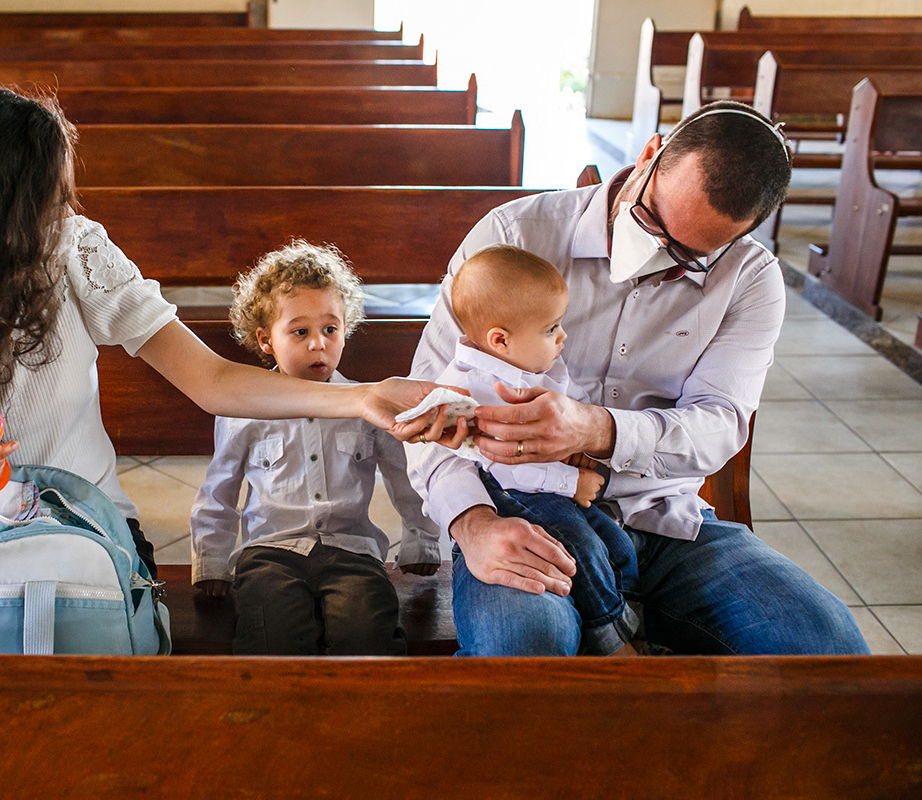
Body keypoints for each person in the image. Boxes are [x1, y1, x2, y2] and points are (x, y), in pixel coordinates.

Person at [0, 86, 451, 576]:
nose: (65, 213)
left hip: (81, 533)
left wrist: (358, 398)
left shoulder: (71, 252)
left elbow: (209, 379)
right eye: (48, 199)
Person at [407, 101, 870, 656]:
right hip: (519, 511)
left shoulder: (749, 277)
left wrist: (598, 430)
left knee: (827, 645)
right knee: (526, 648)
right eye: (653, 221)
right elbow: (427, 405)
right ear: (650, 155)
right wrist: (473, 525)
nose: (656, 253)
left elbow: (720, 424)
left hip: (661, 518)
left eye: (688, 255)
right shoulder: (516, 234)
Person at [190, 241, 441, 655]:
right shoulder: (243, 408)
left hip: (352, 550)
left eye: (330, 329)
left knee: (366, 638)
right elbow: (219, 488)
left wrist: (421, 539)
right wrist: (212, 561)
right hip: (271, 552)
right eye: (300, 331)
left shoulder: (366, 404)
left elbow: (405, 475)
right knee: (273, 640)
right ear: (265, 339)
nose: (318, 344)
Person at [422, 243, 640, 655]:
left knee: (617, 545)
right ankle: (611, 636)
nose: (563, 337)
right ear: (499, 340)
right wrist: (572, 481)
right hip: (514, 498)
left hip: (549, 488)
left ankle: (629, 613)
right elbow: (507, 463)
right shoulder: (478, 388)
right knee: (581, 547)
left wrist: (581, 438)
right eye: (550, 329)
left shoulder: (531, 364)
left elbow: (571, 407)